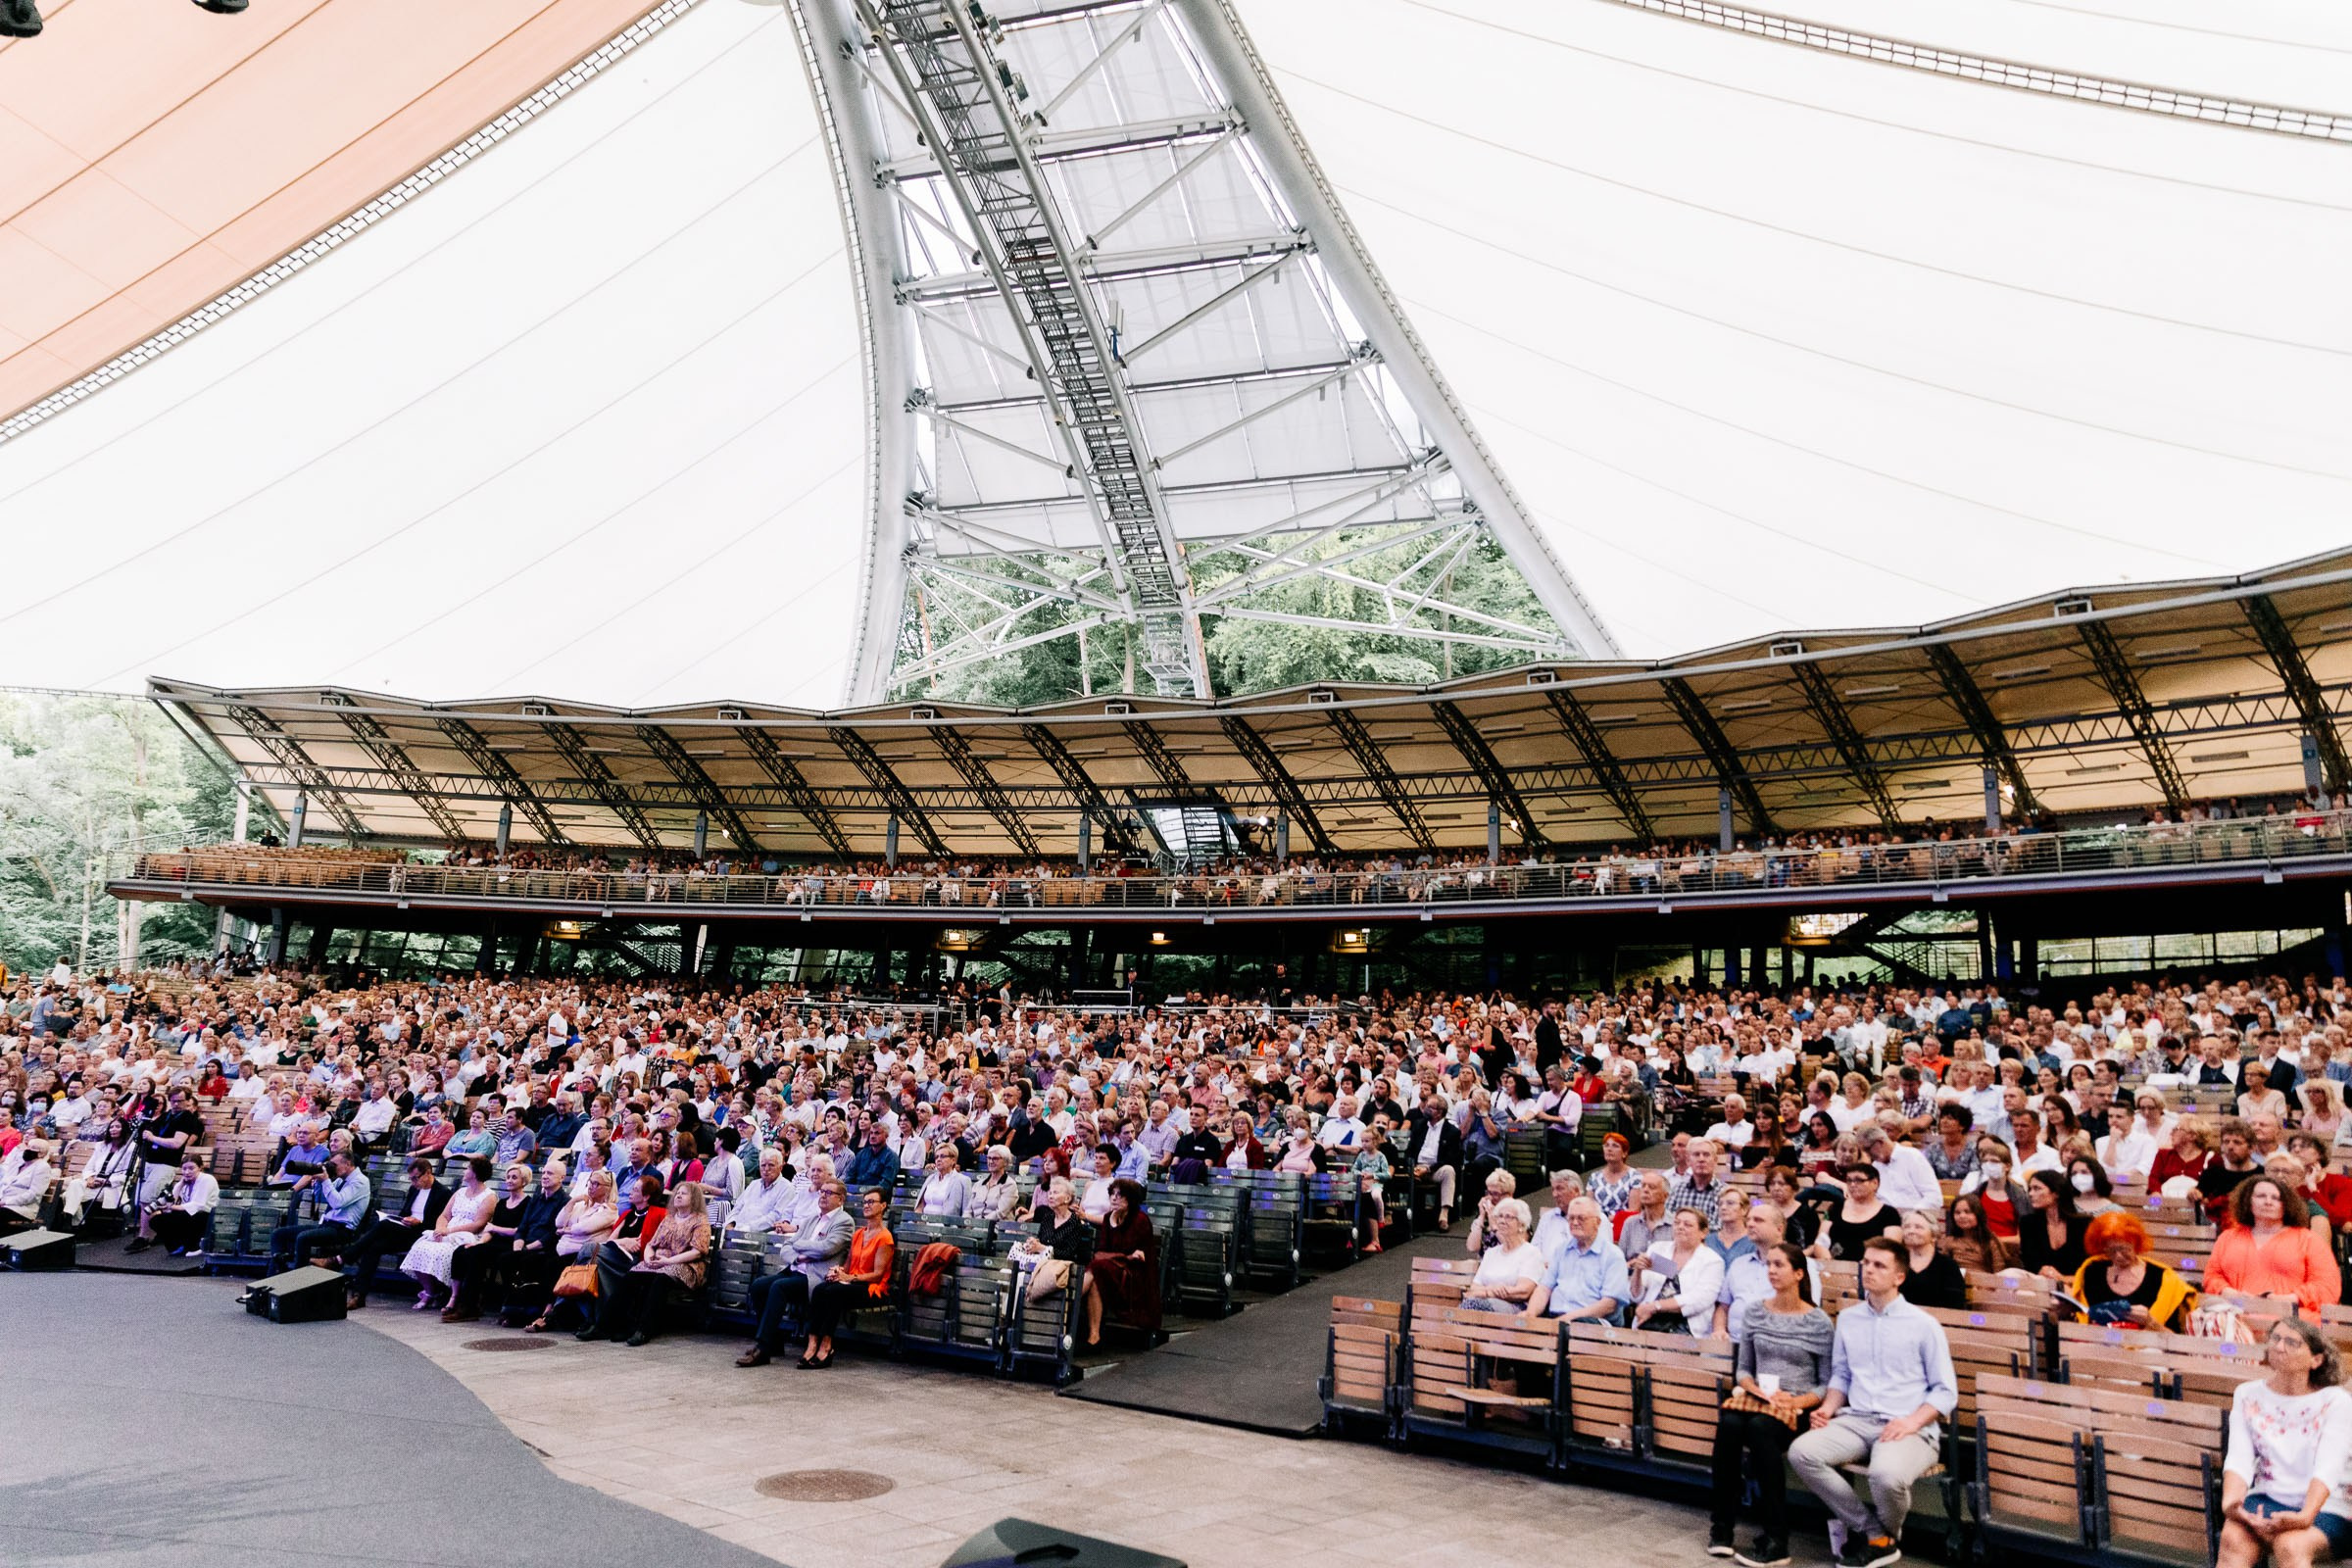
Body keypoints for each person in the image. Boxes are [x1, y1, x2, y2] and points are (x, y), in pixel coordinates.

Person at [1788, 1238, 1960, 1568]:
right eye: (1865, 1262)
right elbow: (1841, 1375)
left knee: (1885, 1476)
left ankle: (1886, 1537)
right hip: (1856, 1418)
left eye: (1879, 1265)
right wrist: (1827, 1408)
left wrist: (1910, 1423)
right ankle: (1874, 1534)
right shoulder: (1850, 1319)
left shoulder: (1923, 1325)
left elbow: (1944, 1392)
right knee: (1802, 1452)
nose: (1868, 1269)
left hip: (1908, 1425)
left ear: (1899, 1277)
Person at [1709, 1240, 1835, 1566]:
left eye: (1779, 1265)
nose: (1772, 1271)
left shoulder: (1818, 1321)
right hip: (1760, 1398)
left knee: (1762, 1431)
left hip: (1799, 1405)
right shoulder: (1755, 1312)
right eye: (1769, 1264)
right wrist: (1758, 1391)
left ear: (1797, 1273)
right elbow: (1744, 1370)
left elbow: (1825, 1383)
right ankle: (1721, 1527)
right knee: (1731, 1425)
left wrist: (1794, 1401)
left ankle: (1777, 1537)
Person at [2218, 1318, 2352, 1568]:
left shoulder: (2336, 1401)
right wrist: (2232, 1505)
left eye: (2292, 1342)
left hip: (2327, 1506)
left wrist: (2304, 1516)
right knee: (2233, 1537)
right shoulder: (2247, 1394)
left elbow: (2329, 1466)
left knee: (2290, 1545)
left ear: (2316, 1360)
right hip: (2269, 1497)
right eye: (2276, 1339)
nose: (2280, 1347)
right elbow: (2239, 1457)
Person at [738, 1177, 855, 1366]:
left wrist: (799, 1245)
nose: (823, 1195)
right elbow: (787, 1247)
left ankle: (763, 1348)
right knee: (759, 1286)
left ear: (840, 1199)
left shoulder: (844, 1222)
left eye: (828, 1193)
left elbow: (826, 1248)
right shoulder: (812, 1219)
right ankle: (775, 1342)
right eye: (822, 1192)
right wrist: (798, 1255)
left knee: (779, 1287)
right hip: (796, 1267)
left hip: (816, 1277)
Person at [2209, 1175, 2343, 1314]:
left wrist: (2288, 1299)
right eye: (2261, 1196)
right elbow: (2212, 1276)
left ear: (2287, 1204)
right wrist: (2228, 1292)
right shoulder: (2227, 1237)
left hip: (2293, 1320)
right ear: (2248, 1201)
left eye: (2276, 1198)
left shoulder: (2309, 1240)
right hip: (2235, 1317)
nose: (2268, 1202)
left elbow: (2327, 1285)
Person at [603, 1180, 711, 1348]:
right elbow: (651, 1244)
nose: (678, 1196)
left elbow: (697, 1251)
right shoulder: (669, 1219)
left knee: (660, 1280)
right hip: (659, 1261)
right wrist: (648, 1259)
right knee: (632, 1276)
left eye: (684, 1193)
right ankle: (609, 1325)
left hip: (686, 1265)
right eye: (678, 1192)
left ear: (695, 1198)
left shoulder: (700, 1221)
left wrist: (668, 1261)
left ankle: (644, 1329)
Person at [802, 1187, 897, 1368]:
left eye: (872, 1202)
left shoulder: (885, 1237)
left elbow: (877, 1275)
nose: (867, 1205)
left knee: (835, 1292)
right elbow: (848, 1265)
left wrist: (849, 1278)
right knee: (821, 1288)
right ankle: (812, 1342)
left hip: (871, 1288)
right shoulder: (859, 1234)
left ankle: (826, 1344)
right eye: (865, 1202)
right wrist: (837, 1272)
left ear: (883, 1206)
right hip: (852, 1283)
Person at [341, 1157, 450, 1308]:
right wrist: (403, 1219)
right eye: (411, 1179)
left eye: (415, 1178)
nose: (413, 1183)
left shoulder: (443, 1193)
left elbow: (438, 1224)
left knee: (384, 1225)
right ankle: (359, 1295)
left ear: (428, 1173)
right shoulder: (414, 1190)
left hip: (424, 1235)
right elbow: (405, 1212)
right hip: (406, 1232)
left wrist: (418, 1223)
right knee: (373, 1247)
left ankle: (344, 1257)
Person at [2065, 1210, 2197, 1330]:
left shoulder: (2162, 1278)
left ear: (2136, 1243)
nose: (2118, 1256)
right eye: (2110, 1251)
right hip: (2097, 1349)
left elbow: (2176, 1341)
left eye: (2124, 1249)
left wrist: (2150, 1322)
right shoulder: (2092, 1271)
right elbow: (2082, 1320)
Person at [399, 1156, 496, 1311]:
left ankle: (449, 1293)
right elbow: (444, 1215)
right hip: (447, 1231)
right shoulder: (460, 1192)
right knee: (420, 1247)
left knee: (443, 1252)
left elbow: (479, 1224)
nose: (465, 1171)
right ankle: (431, 1292)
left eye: (468, 1168)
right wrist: (439, 1229)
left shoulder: (489, 1196)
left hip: (467, 1234)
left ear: (476, 1173)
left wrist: (449, 1231)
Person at [1529, 1196, 1631, 1324]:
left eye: (1581, 1218)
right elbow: (1544, 1289)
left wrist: (1568, 1319)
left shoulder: (1613, 1255)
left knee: (1575, 1326)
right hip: (1557, 1319)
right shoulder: (1561, 1250)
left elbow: (1609, 1304)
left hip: (1593, 1323)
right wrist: (1530, 1314)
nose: (1575, 1222)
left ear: (1597, 1222)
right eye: (1571, 1218)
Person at [268, 1149, 370, 1273]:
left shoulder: (360, 1181)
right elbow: (327, 1197)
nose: (332, 1168)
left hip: (343, 1230)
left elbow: (338, 1203)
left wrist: (326, 1181)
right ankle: (276, 1275)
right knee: (279, 1234)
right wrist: (318, 1181)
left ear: (348, 1164)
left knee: (303, 1238)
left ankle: (296, 1281)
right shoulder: (341, 1179)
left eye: (335, 1165)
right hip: (327, 1226)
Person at [1086, 1177, 1159, 1345]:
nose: (1114, 1198)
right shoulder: (1107, 1218)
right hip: (1110, 1268)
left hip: (1135, 1274)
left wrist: (1123, 1256)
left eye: (1120, 1195)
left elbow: (1131, 1251)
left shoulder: (1140, 1219)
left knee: (1095, 1269)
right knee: (1095, 1277)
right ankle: (1094, 1335)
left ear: (1131, 1199)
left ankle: (1072, 1300)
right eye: (1112, 1194)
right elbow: (1103, 1249)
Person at [1635, 1207, 1727, 1336]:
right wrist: (1638, 1272)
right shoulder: (1658, 1249)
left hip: (1685, 1327)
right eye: (1677, 1223)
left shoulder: (1712, 1261)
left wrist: (1655, 1306)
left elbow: (1699, 1300)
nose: (1680, 1227)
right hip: (1648, 1321)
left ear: (1703, 1233)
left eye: (1688, 1225)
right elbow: (1636, 1295)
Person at [1461, 1197, 1544, 1313]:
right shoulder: (1491, 1252)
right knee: (1461, 1310)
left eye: (1508, 1217)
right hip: (1484, 1303)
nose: (1502, 1221)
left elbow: (1523, 1291)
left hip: (1515, 1308)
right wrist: (1491, 1291)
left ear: (1521, 1225)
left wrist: (1487, 1292)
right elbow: (1474, 1287)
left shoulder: (1531, 1253)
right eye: (1499, 1216)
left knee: (1471, 1306)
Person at [1401, 1095, 1464, 1230]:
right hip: (1417, 1167)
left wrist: (1428, 1169)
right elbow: (1410, 1150)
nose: (1425, 1109)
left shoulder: (1452, 1131)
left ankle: (1444, 1214)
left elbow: (1450, 1159)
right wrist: (1412, 1166)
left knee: (1449, 1170)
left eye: (1430, 1107)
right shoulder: (1419, 1125)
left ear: (1439, 1112)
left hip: (1435, 1169)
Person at [2016, 1170, 2091, 1282]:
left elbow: (2089, 1266)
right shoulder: (2028, 1223)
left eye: (2037, 1188)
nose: (2031, 1194)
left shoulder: (2083, 1223)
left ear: (2056, 1193)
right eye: (2030, 1189)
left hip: (2076, 1284)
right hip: (2040, 1284)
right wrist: (2045, 1272)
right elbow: (2030, 1262)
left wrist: (2063, 1279)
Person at [1817, 1164, 1897, 1264]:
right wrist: (1830, 1263)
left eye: (1859, 1180)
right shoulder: (1836, 1208)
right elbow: (1820, 1242)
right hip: (1833, 1266)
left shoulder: (1889, 1214)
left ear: (1875, 1183)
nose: (1852, 1184)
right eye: (1849, 1180)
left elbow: (1891, 1249)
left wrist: (1863, 1267)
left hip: (1870, 1268)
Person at [141, 1155, 220, 1256]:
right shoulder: (186, 1182)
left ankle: (195, 1246)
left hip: (205, 1215)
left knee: (180, 1216)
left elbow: (198, 1205)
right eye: (184, 1169)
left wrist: (170, 1207)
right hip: (189, 1214)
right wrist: (181, 1183)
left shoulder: (207, 1179)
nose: (187, 1172)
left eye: (191, 1168)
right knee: (155, 1220)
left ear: (200, 1168)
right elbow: (172, 1199)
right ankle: (177, 1246)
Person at [1892, 1210, 1965, 1310]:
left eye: (1918, 1227)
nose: (1911, 1231)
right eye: (1907, 1227)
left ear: (1934, 1236)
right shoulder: (1895, 1262)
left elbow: (1955, 1304)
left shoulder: (1948, 1266)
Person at [1942, 1194, 2014, 1275]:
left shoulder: (1990, 1242)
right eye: (1957, 1213)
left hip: (1985, 1285)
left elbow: (1999, 1274)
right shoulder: (1949, 1242)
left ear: (1978, 1214)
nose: (1962, 1216)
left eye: (1967, 1212)